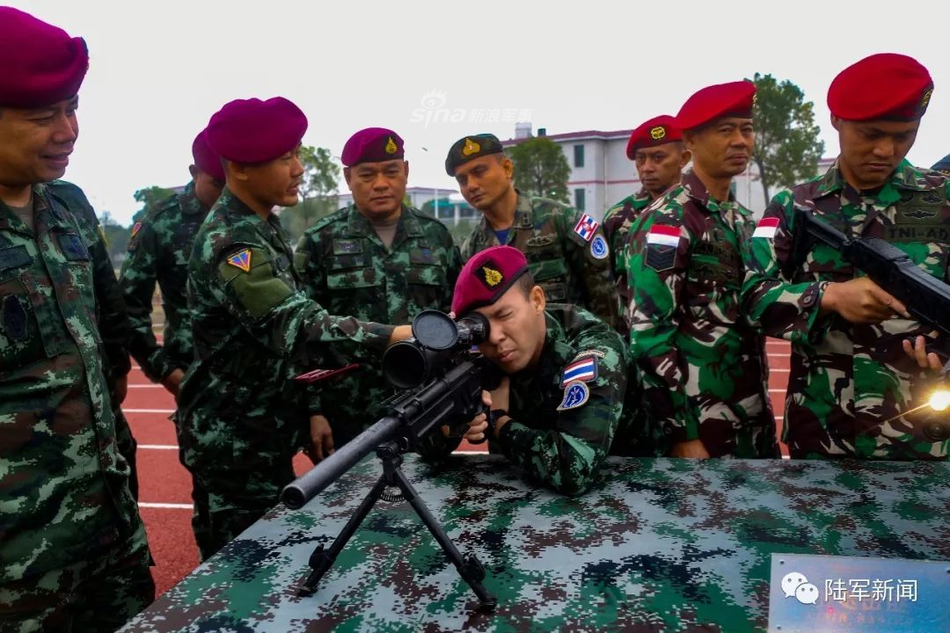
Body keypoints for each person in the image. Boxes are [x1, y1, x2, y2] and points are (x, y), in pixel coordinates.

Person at [176, 97, 411, 560]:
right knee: (239, 576)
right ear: (241, 168)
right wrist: (394, 336)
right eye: (287, 159)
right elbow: (297, 326)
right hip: (234, 445)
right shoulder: (233, 241)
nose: (300, 168)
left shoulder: (262, 226)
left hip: (261, 434)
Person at [0, 7, 154, 631]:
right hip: (15, 561)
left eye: (73, 108)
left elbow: (110, 324)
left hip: (109, 529)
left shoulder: (68, 205)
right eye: (44, 117)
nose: (68, 131)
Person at [742, 53, 949, 460]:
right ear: (836, 120)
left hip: (922, 436)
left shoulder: (943, 200)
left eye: (904, 135)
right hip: (821, 433)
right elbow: (751, 297)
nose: (886, 150)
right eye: (870, 134)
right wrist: (829, 298)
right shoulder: (794, 205)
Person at [626, 81, 776, 459]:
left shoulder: (743, 221)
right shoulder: (667, 221)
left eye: (746, 129)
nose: (740, 141)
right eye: (726, 131)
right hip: (701, 432)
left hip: (751, 422)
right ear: (690, 141)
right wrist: (682, 434)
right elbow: (649, 336)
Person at [422, 246, 649, 495]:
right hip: (523, 496)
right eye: (482, 328)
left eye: (505, 315)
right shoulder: (478, 354)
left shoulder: (594, 351)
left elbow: (572, 468)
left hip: (629, 489)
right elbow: (427, 449)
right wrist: (451, 426)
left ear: (537, 300)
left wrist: (497, 422)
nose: (496, 337)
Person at [295, 127, 461, 455]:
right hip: (346, 415)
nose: (381, 183)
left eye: (391, 171)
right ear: (348, 178)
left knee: (426, 503)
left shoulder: (436, 237)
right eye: (367, 174)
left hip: (424, 409)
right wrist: (312, 411)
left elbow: (455, 320)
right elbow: (301, 333)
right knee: (348, 506)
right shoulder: (319, 241)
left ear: (406, 171)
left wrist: (453, 400)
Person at [446, 133, 619, 328]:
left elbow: (605, 299)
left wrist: (604, 349)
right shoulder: (473, 249)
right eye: (462, 180)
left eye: (479, 172)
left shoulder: (562, 220)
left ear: (506, 168)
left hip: (575, 351)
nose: (471, 185)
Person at [48, 179, 140, 498]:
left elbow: (106, 290)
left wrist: (119, 365)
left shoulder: (67, 198)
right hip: (23, 450)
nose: (67, 131)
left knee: (121, 475)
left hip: (98, 406)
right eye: (40, 123)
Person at [120, 129, 225, 403]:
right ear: (194, 171)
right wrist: (167, 374)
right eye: (217, 184)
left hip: (262, 388)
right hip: (198, 384)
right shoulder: (160, 223)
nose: (226, 195)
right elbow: (128, 309)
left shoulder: (253, 213)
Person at [603, 115, 690, 331]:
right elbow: (603, 285)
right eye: (641, 159)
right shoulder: (618, 218)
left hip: (692, 342)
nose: (647, 167)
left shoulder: (701, 213)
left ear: (684, 158)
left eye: (658, 158)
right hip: (631, 337)